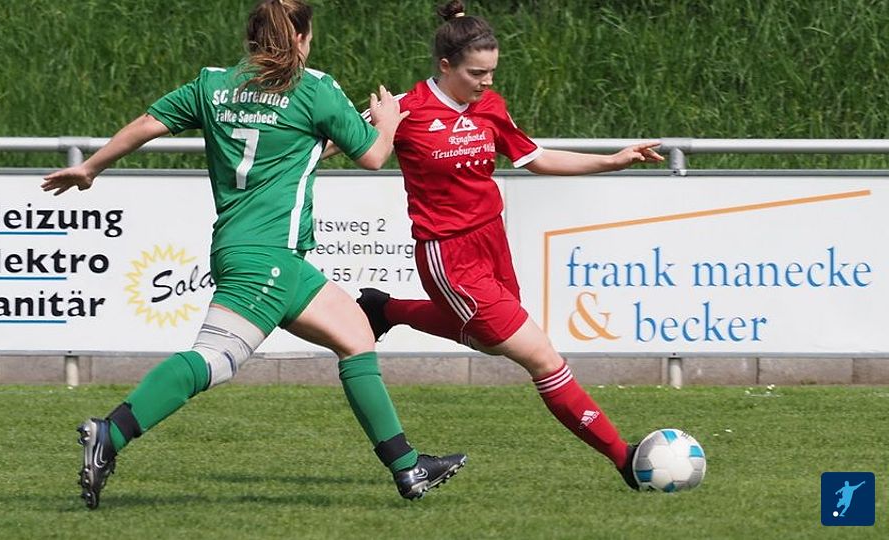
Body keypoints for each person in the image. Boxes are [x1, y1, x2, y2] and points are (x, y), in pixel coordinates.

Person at [42, 0, 465, 509]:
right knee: (215, 359)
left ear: (250, 38)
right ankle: (109, 433)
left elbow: (149, 123)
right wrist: (388, 121)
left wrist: (90, 167)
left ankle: (407, 466)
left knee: (356, 336)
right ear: (302, 38)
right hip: (269, 257)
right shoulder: (314, 89)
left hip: (252, 252)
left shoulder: (213, 85)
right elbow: (375, 155)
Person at [350, 0, 665, 490]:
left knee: (490, 342)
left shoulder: (490, 107)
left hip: (492, 243)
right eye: (477, 73)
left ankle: (384, 310)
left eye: (492, 72)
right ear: (445, 66)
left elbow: (535, 157)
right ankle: (626, 459)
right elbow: (334, 141)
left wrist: (612, 160)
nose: (487, 82)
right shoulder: (406, 108)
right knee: (541, 357)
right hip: (448, 255)